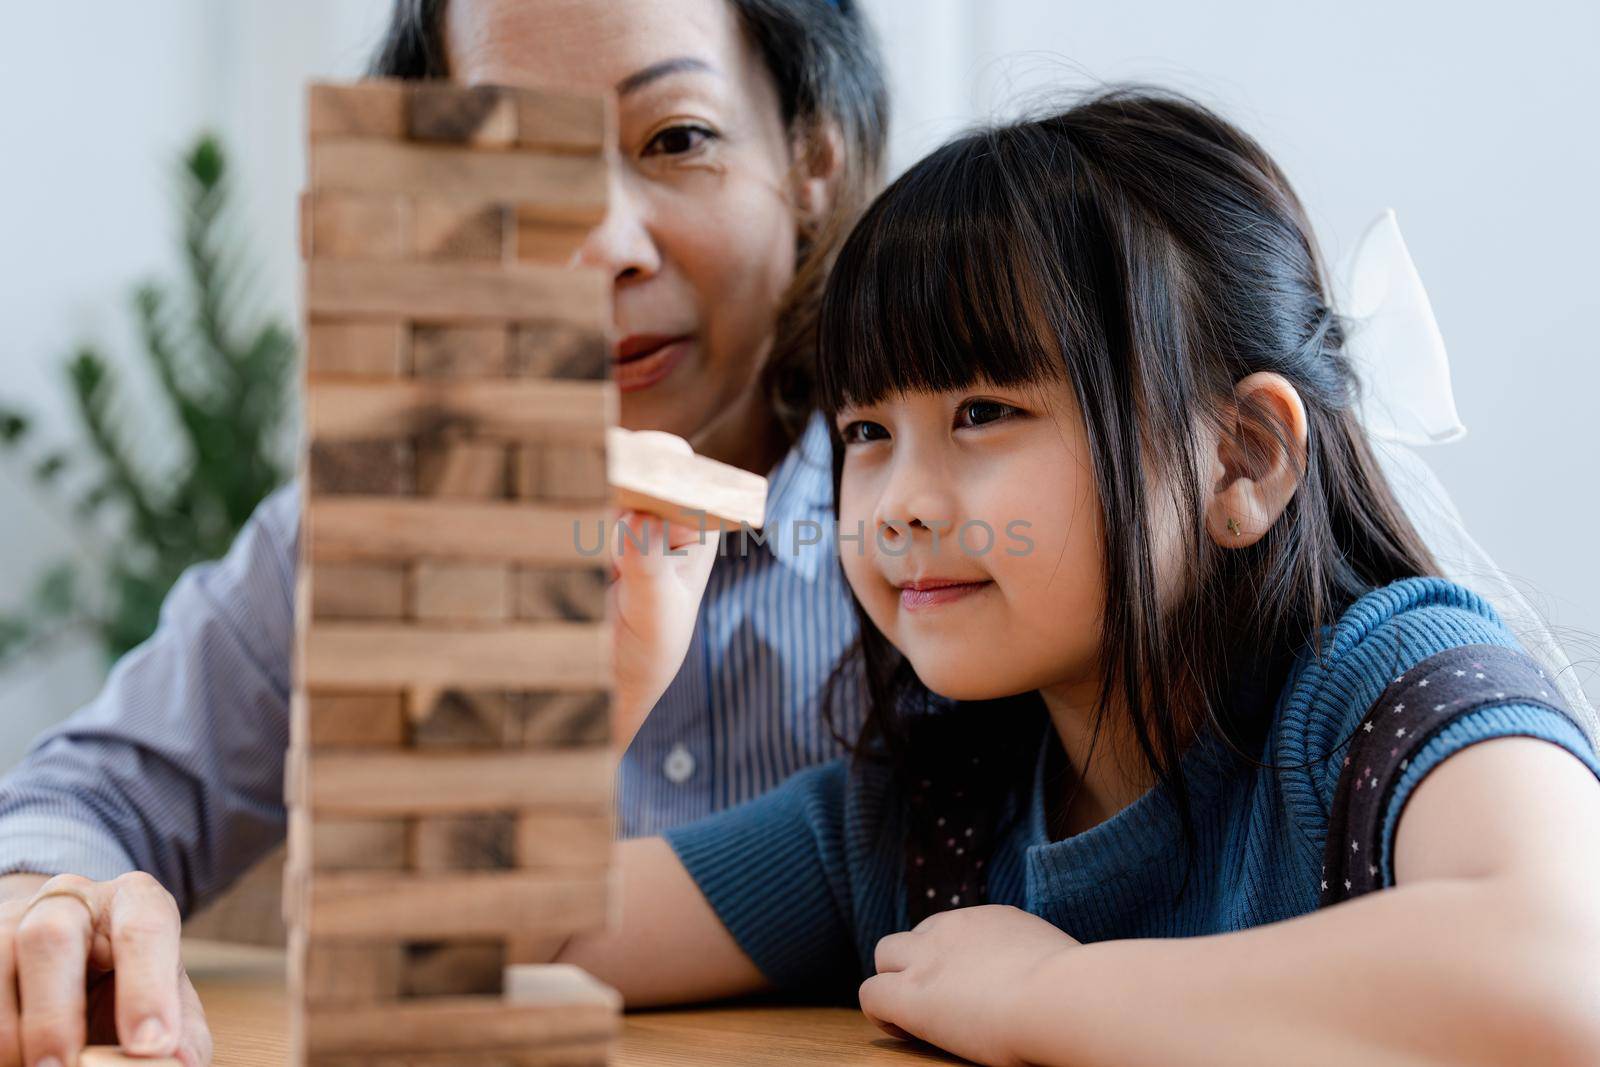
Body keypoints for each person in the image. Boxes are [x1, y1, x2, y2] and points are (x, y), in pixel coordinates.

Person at [537, 89, 1600, 1065]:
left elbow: (1562, 971)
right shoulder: (925, 810)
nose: (895, 500)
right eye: (865, 428)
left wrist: (1047, 990)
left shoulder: (1385, 686)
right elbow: (449, 935)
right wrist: (607, 688)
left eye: (983, 412)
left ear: (1241, 457)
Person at [0, 2, 886, 1065]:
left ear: (811, 157)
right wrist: (45, 905)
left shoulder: (963, 536)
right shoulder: (351, 526)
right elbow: (82, 796)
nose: (600, 244)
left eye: (675, 139)